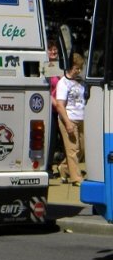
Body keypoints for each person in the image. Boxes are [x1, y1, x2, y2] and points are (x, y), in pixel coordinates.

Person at [55, 52, 86, 185]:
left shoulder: (80, 81)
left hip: (81, 118)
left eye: (80, 68)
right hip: (69, 118)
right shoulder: (63, 83)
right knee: (73, 149)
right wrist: (67, 123)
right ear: (70, 67)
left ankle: (64, 168)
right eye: (76, 68)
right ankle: (76, 179)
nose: (78, 71)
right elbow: (60, 105)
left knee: (82, 149)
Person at [44, 39, 65, 176]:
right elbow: (46, 89)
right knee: (51, 138)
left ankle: (64, 166)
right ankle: (48, 166)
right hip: (51, 108)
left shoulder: (61, 67)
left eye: (55, 49)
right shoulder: (45, 66)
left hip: (62, 107)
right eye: (50, 49)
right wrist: (54, 103)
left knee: (64, 139)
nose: (53, 51)